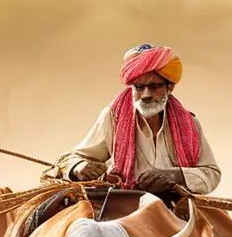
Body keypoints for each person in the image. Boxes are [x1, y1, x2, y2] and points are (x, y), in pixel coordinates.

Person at [55, 44, 221, 201]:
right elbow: (69, 159)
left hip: (177, 205)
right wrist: (79, 166)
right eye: (139, 87)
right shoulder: (113, 117)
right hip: (122, 204)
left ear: (169, 87)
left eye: (154, 86)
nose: (146, 95)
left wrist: (174, 175)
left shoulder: (189, 124)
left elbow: (211, 173)